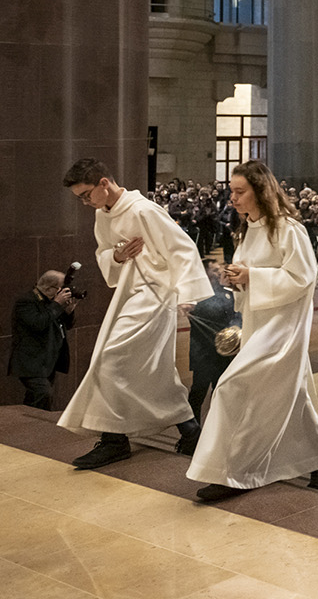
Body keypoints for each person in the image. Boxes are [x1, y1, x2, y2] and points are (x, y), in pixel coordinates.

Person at [188, 161, 318, 500]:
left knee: (232, 387)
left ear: (260, 191)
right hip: (259, 325)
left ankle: (232, 473)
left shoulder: (288, 229)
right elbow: (247, 277)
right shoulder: (247, 229)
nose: (233, 198)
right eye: (231, 191)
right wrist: (235, 280)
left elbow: (303, 279)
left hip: (284, 328)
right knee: (289, 394)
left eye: (240, 191)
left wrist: (251, 277)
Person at [60, 158, 211, 468]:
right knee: (152, 369)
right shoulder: (103, 216)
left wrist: (187, 295)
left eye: (86, 194)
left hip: (155, 296)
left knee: (110, 358)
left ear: (104, 183)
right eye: (79, 198)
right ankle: (190, 431)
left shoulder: (143, 209)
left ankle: (115, 441)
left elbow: (182, 248)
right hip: (131, 295)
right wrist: (115, 255)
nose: (85, 202)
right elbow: (104, 252)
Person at [9, 270, 76, 409]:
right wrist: (57, 304)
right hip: (31, 362)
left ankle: (28, 424)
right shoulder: (26, 302)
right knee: (43, 393)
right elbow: (38, 323)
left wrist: (68, 312)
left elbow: (66, 325)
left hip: (47, 361)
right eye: (61, 288)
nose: (63, 292)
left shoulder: (50, 302)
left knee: (36, 400)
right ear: (50, 288)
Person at [185, 260, 238, 422]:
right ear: (205, 272)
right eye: (214, 270)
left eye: (219, 270)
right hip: (203, 352)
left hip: (222, 353)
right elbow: (210, 313)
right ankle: (192, 431)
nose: (218, 273)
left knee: (220, 390)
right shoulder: (197, 296)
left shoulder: (225, 292)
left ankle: (215, 426)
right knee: (198, 392)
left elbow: (235, 314)